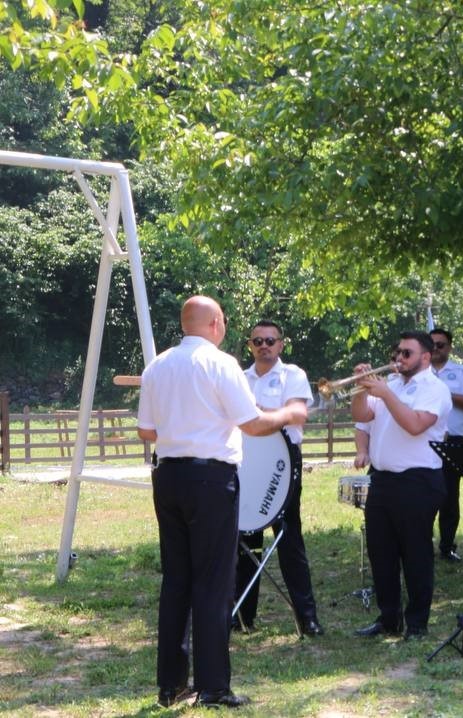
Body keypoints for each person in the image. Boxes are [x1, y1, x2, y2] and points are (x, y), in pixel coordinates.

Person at [137, 295, 308, 709]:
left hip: (168, 475)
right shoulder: (221, 363)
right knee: (213, 582)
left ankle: (171, 685)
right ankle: (213, 686)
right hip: (210, 478)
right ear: (216, 323)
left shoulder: (157, 365)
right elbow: (252, 423)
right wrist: (289, 413)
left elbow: (146, 432)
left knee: (176, 579)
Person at [350, 331, 453, 640]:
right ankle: (389, 618)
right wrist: (359, 388)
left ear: (425, 356)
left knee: (416, 553)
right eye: (397, 352)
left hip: (418, 480)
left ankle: (418, 623)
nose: (398, 359)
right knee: (381, 552)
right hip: (381, 478)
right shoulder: (391, 385)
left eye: (406, 353)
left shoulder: (436, 389)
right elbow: (361, 415)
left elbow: (414, 425)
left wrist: (384, 394)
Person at [232, 320, 323, 637]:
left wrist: (256, 412)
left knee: (288, 539)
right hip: (245, 462)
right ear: (250, 345)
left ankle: (307, 617)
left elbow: (296, 413)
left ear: (281, 344)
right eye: (258, 341)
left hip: (282, 464)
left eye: (270, 340)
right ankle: (243, 616)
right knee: (245, 541)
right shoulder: (239, 378)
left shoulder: (293, 375)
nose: (264, 345)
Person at [428, 327, 463, 563]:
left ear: (450, 348)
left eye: (441, 345)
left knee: (450, 495)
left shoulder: (461, 372)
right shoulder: (419, 372)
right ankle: (422, 543)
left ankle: (447, 546)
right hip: (425, 438)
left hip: (453, 439)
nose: (436, 349)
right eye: (432, 344)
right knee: (424, 491)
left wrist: (442, 391)